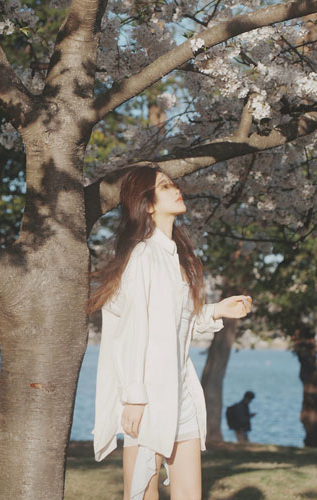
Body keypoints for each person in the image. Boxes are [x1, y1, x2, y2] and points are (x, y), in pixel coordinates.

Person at [87, 166, 253, 500]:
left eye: (173, 183)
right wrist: (134, 398)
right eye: (165, 186)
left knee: (190, 494)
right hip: (148, 396)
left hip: (181, 393)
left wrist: (217, 310)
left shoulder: (176, 257)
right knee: (141, 494)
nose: (176, 189)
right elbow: (134, 331)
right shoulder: (143, 256)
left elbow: (173, 322)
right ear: (148, 204)